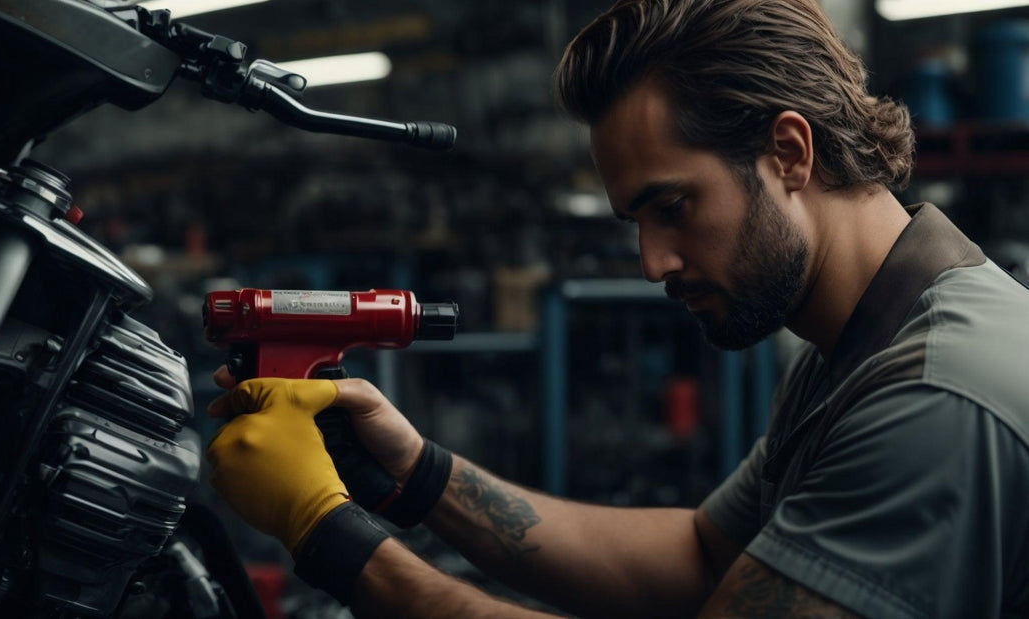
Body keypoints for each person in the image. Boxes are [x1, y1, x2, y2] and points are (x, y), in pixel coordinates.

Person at [206, 0, 1029, 616]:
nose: (651, 262)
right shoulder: (858, 344)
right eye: (636, 222)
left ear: (788, 152)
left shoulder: (932, 398)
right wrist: (417, 476)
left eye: (672, 207)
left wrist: (327, 532)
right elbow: (704, 556)